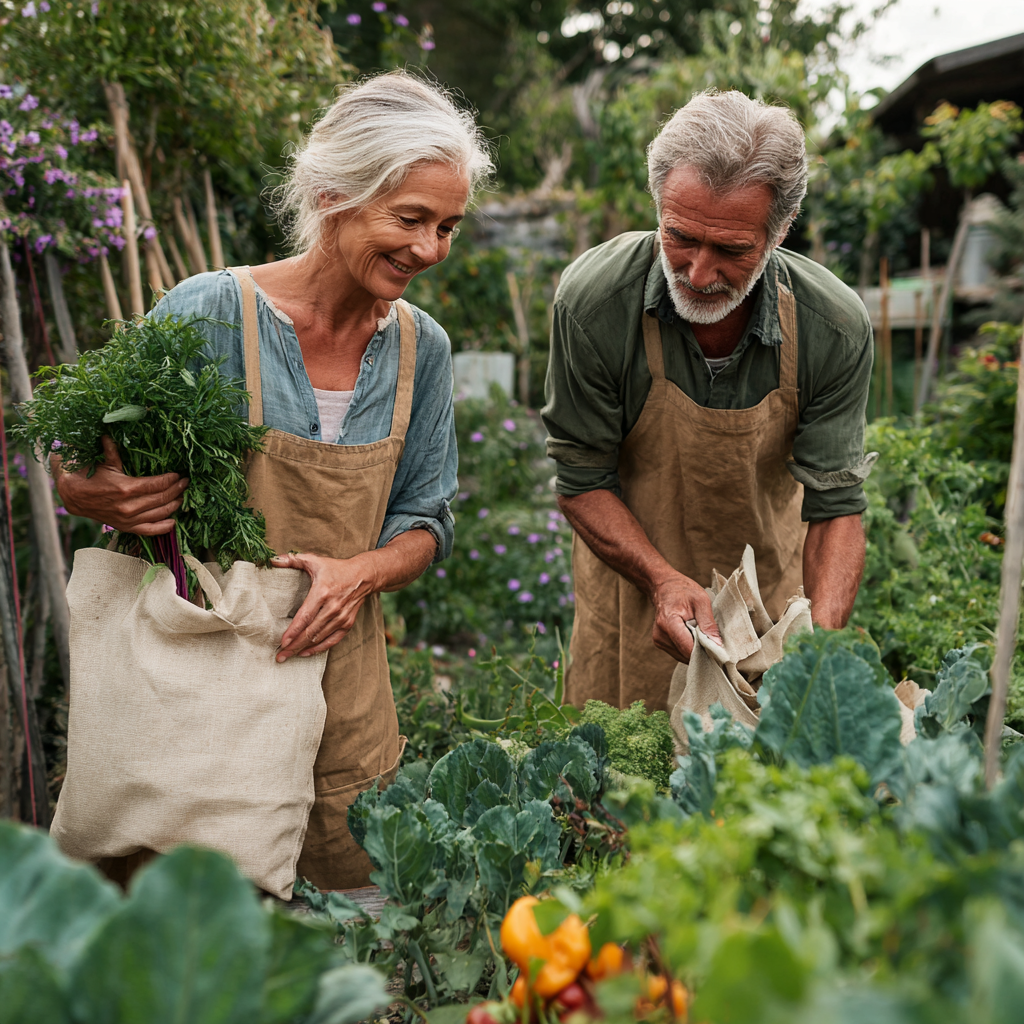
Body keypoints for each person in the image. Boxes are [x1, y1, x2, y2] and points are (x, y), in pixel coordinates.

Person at [53, 71, 492, 889]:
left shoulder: (421, 348)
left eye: (449, 226)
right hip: (199, 685)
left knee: (342, 941)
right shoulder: (207, 314)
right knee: (188, 951)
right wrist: (83, 488)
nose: (431, 249)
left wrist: (361, 572)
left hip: (340, 683)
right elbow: (82, 447)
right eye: (410, 219)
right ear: (332, 194)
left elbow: (427, 520)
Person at [542, 89, 875, 713]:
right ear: (658, 207)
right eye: (680, 237)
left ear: (777, 235)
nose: (698, 273)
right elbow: (582, 477)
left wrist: (819, 650)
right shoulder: (593, 304)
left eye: (731, 250)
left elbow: (836, 506)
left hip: (766, 598)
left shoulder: (832, 325)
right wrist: (662, 579)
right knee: (618, 775)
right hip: (635, 599)